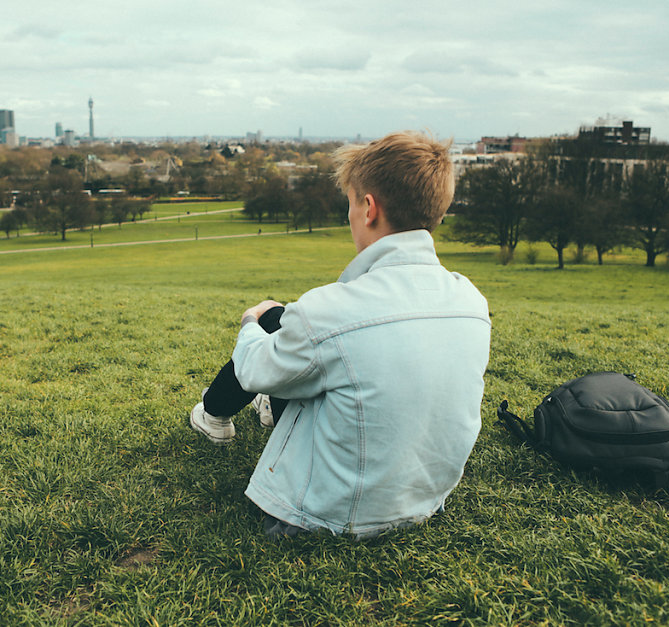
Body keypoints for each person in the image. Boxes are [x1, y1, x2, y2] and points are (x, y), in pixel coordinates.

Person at [189, 131, 491, 539]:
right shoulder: (471, 301)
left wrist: (251, 321)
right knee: (300, 333)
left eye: (349, 202)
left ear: (368, 208)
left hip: (318, 519)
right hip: (423, 505)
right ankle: (254, 406)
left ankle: (212, 415)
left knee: (275, 324)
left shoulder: (328, 310)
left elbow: (252, 370)